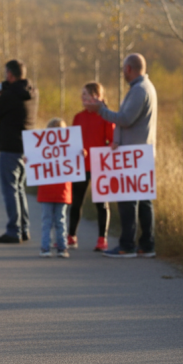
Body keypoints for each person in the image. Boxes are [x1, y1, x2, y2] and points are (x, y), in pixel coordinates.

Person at [84, 53, 158, 258]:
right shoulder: (146, 88)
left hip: (133, 154)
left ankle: (127, 245)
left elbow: (125, 119)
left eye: (123, 69)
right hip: (142, 152)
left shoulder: (138, 90)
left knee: (127, 200)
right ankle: (146, 245)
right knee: (143, 200)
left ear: (128, 69)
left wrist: (101, 110)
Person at [0, 59, 39, 244]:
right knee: (20, 189)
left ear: (10, 74)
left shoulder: (10, 94)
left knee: (10, 190)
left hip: (10, 146)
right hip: (27, 147)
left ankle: (13, 230)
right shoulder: (32, 92)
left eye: (6, 73)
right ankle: (23, 229)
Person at [68, 82, 115, 252]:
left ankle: (102, 239)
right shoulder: (78, 117)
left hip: (99, 166)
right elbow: (71, 141)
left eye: (86, 95)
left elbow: (112, 141)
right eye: (82, 95)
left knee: (101, 203)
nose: (83, 98)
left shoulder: (106, 116)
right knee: (76, 202)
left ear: (98, 97)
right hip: (81, 165)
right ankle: (71, 236)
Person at [36, 118, 72, 258]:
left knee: (58, 220)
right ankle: (47, 247)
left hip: (61, 192)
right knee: (50, 221)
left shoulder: (69, 148)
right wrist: (29, 159)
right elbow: (35, 161)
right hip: (50, 192)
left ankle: (61, 247)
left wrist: (82, 154)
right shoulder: (42, 149)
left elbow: (78, 159)